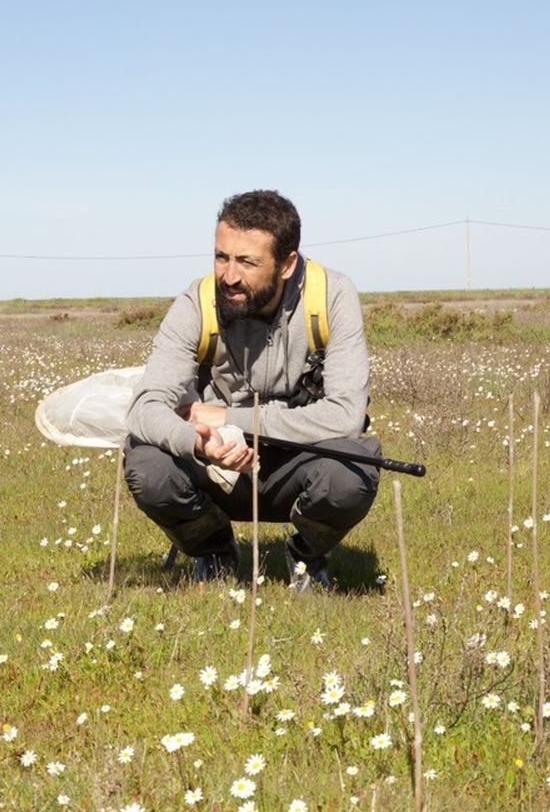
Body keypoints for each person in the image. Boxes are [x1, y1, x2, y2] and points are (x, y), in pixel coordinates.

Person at [124, 190, 380, 589]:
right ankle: (214, 551)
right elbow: (144, 408)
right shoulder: (197, 302)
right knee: (147, 467)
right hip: (217, 462)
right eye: (221, 256)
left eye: (246, 261)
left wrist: (229, 418)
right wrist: (197, 442)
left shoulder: (331, 295)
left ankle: (306, 558)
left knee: (354, 471)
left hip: (298, 460)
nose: (228, 275)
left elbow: (346, 416)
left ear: (287, 264)